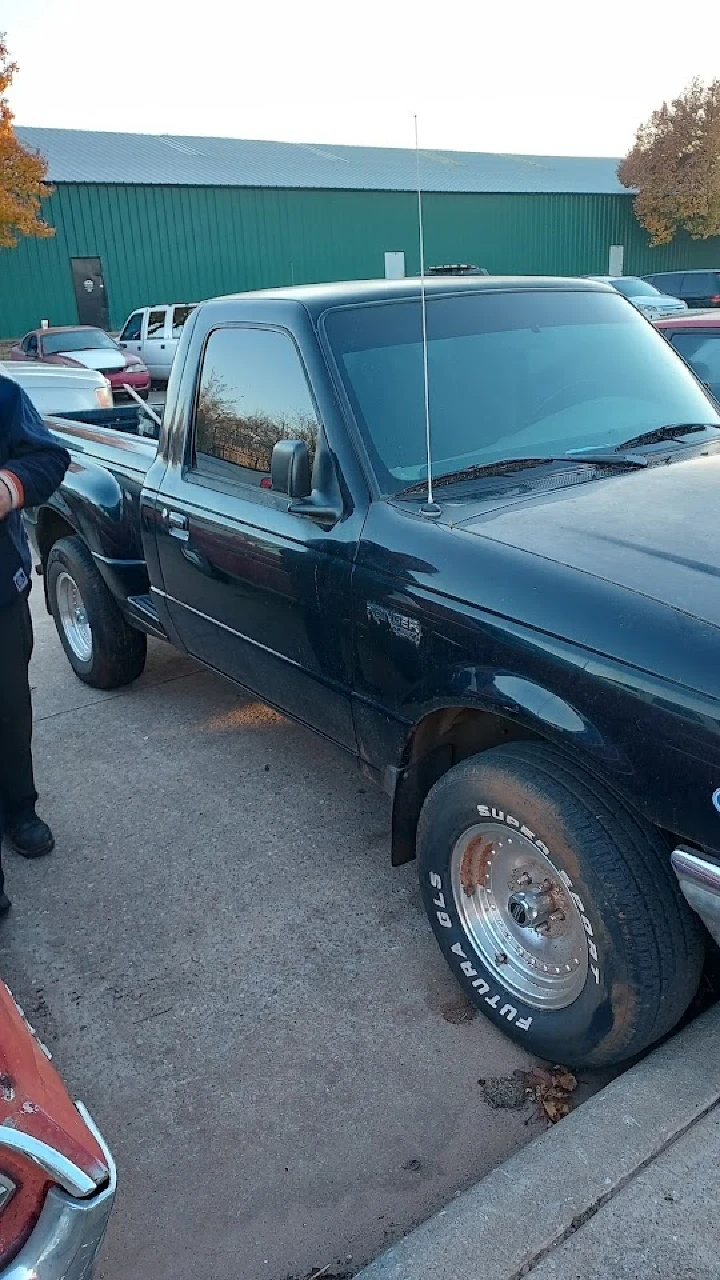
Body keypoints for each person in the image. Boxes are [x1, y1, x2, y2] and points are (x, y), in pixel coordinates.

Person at [0, 372, 70, 918]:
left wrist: (7, 488)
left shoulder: (2, 396)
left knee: (8, 711)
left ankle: (18, 810)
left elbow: (46, 458)